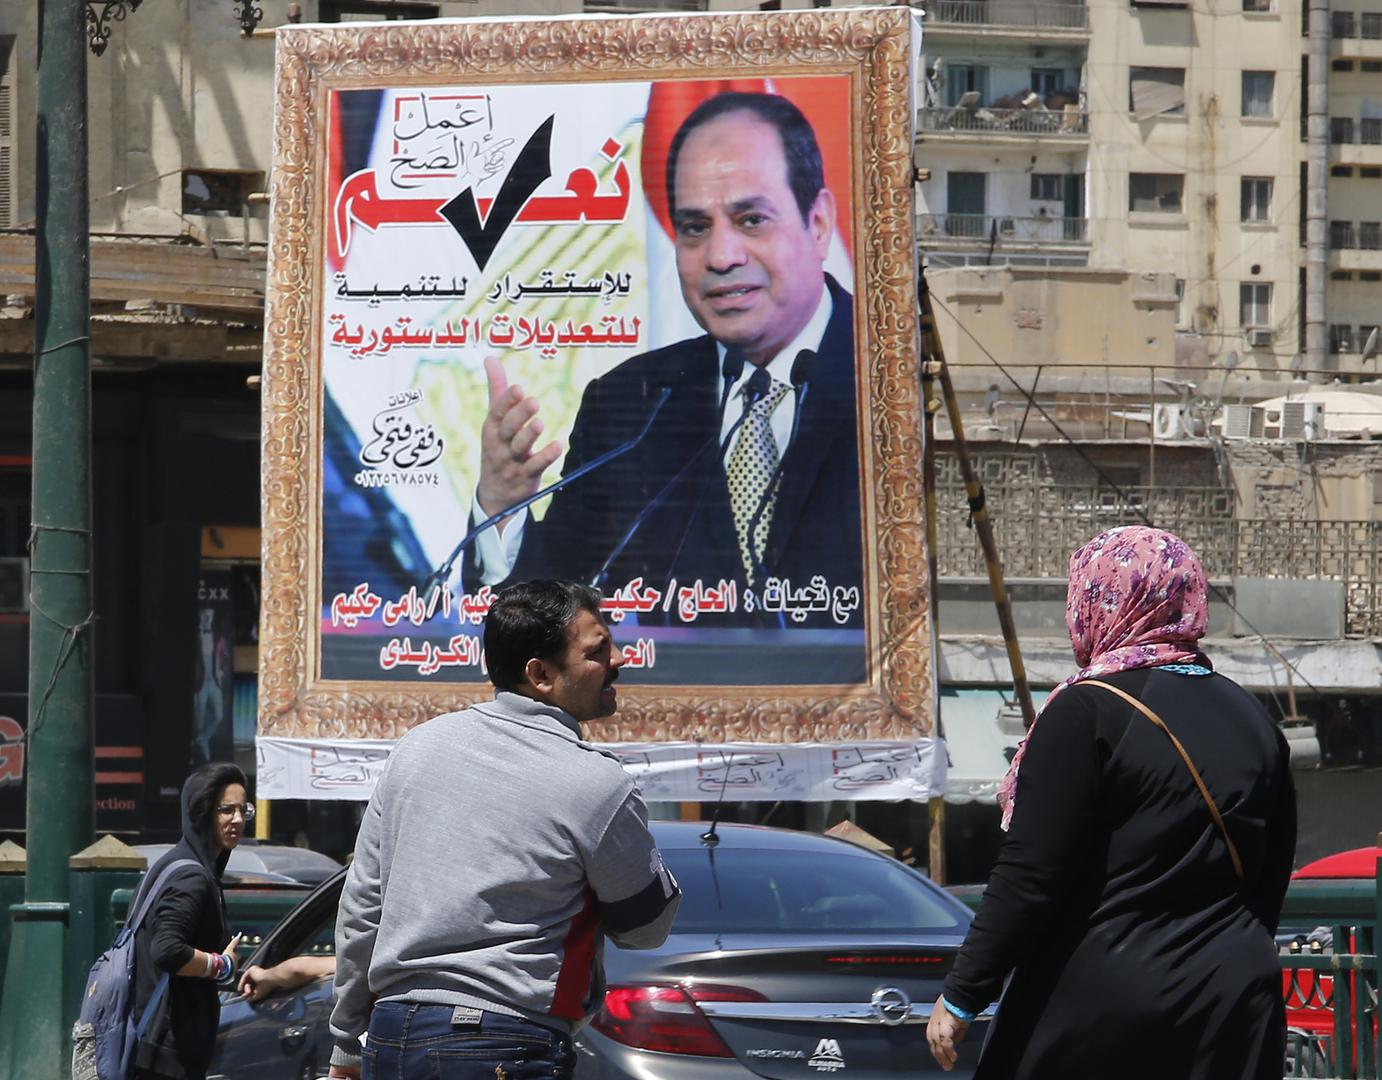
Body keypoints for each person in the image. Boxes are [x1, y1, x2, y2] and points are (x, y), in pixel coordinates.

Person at [465, 91, 861, 628]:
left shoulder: (886, 377)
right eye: (695, 228)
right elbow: (551, 614)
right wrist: (502, 509)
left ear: (817, 223)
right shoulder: (632, 404)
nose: (721, 257)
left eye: (750, 220)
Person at [926, 526, 1297, 1079]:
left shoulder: (1087, 710)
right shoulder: (1253, 717)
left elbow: (1032, 872)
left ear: (1099, 601)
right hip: (1237, 998)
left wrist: (962, 993)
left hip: (1108, 1004)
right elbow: (1272, 870)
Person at [328, 580, 682, 1079]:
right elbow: (648, 928)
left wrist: (346, 1046)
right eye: (598, 651)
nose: (620, 660)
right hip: (501, 1044)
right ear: (540, 673)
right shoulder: (596, 781)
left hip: (391, 1037)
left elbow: (363, 907)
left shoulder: (415, 750)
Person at [131, 762, 249, 1079]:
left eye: (243, 810)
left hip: (157, 1049)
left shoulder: (174, 865)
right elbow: (167, 950)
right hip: (166, 1053)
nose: (237, 819)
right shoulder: (191, 877)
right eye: (226, 810)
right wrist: (222, 965)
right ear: (203, 812)